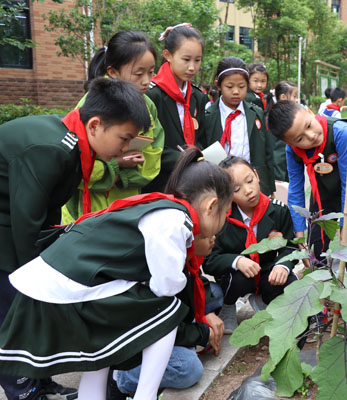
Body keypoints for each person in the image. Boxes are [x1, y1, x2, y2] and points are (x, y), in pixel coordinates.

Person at [0, 148, 233, 400]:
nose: (223, 223)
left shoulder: (160, 207)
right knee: (165, 310)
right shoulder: (175, 221)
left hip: (54, 284)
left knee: (102, 352)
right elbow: (166, 288)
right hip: (65, 291)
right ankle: (145, 395)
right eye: (226, 213)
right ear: (211, 206)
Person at [0, 77, 151, 400]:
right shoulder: (52, 149)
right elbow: (28, 224)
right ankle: (22, 389)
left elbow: (47, 212)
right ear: (95, 125)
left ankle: (39, 380)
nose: (126, 149)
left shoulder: (71, 145)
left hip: (13, 224)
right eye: (124, 139)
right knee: (15, 308)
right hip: (6, 230)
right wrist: (40, 279)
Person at [62, 31, 165, 223]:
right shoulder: (90, 106)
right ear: (113, 72)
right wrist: (115, 168)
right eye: (138, 73)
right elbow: (73, 166)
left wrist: (124, 177)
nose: (146, 80)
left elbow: (153, 156)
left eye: (151, 72)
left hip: (127, 204)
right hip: (87, 211)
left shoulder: (148, 105)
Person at [268, 100, 347, 264]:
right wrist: (300, 237)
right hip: (323, 192)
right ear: (289, 143)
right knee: (316, 243)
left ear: (310, 112)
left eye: (309, 126)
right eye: (300, 138)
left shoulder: (341, 132)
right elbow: (296, 191)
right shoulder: (292, 150)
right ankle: (320, 276)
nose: (311, 136)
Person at [203, 156, 297, 333]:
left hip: (265, 270)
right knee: (237, 278)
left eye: (250, 181)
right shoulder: (221, 219)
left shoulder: (277, 210)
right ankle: (229, 305)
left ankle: (262, 296)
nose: (248, 191)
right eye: (237, 189)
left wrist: (283, 266)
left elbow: (290, 247)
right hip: (238, 276)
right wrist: (236, 261)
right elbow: (209, 260)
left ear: (256, 175)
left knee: (291, 282)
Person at [145, 23, 208, 192]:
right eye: (186, 59)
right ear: (168, 55)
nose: (192, 67)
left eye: (197, 60)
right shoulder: (153, 95)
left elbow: (201, 137)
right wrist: (183, 158)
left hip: (192, 180)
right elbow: (148, 144)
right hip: (160, 182)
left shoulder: (197, 96)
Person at [204, 56, 275, 196]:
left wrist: (269, 188)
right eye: (229, 87)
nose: (236, 91)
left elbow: (267, 153)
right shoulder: (208, 116)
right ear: (218, 85)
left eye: (241, 86)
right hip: (220, 185)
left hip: (252, 185)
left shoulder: (256, 113)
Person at [266, 81, 298, 182]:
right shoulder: (278, 119)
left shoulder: (278, 115)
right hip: (280, 175)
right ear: (283, 97)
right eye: (294, 96)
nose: (296, 100)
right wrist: (280, 179)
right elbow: (278, 154)